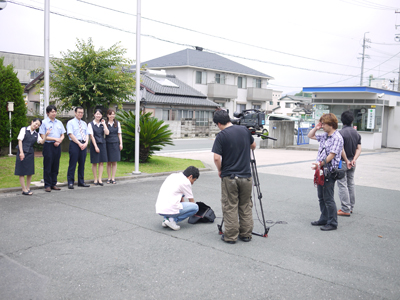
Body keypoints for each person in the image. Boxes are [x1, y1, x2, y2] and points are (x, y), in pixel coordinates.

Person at [212, 110, 256, 244]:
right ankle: (246, 234)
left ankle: (230, 236)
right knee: (245, 205)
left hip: (230, 177)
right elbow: (253, 146)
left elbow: (216, 158)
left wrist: (220, 170)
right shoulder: (244, 130)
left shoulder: (221, 135)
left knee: (230, 205)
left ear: (219, 123)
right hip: (246, 176)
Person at [308, 113, 344, 231]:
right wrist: (316, 128)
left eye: (324, 124)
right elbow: (310, 135)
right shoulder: (325, 135)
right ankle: (324, 218)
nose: (322, 126)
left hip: (329, 170)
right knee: (321, 197)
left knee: (328, 198)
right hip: (321, 169)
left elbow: (332, 155)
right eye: (321, 123)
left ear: (331, 124)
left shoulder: (337, 137)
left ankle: (332, 222)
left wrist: (320, 164)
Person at [155, 166, 200, 231]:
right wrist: (195, 214)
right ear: (190, 176)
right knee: (195, 207)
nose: (192, 183)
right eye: (194, 180)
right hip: (169, 209)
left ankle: (166, 219)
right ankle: (172, 220)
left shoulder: (173, 175)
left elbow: (180, 196)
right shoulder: (186, 182)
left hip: (160, 209)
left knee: (176, 203)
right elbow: (191, 201)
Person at [15, 118, 51, 195]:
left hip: (30, 153)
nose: (36, 126)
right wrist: (21, 152)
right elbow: (20, 140)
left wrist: (46, 135)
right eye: (35, 123)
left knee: (29, 171)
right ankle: (24, 189)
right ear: (32, 122)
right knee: (21, 171)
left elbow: (41, 141)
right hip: (22, 151)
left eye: (38, 125)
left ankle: (28, 188)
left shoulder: (36, 134)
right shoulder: (24, 129)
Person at [337, 111, 362, 217]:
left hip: (343, 162)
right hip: (352, 162)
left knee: (342, 185)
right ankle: (350, 207)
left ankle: (345, 209)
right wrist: (354, 160)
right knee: (350, 184)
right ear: (352, 121)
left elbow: (341, 148)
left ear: (342, 121)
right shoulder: (357, 133)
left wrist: (346, 160)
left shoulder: (340, 133)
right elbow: (359, 148)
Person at [39, 105, 66, 192]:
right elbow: (43, 136)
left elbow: (62, 135)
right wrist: (55, 139)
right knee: (48, 165)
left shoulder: (59, 122)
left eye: (55, 111)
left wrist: (59, 141)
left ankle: (54, 183)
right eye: (52, 112)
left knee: (55, 165)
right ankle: (47, 185)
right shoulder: (44, 123)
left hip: (57, 146)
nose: (54, 113)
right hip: (48, 146)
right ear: (47, 113)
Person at [66, 107, 90, 189]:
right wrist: (79, 143)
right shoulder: (70, 122)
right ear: (75, 113)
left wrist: (86, 143)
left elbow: (87, 134)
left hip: (83, 144)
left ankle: (81, 181)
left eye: (82, 112)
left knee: (82, 163)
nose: (80, 114)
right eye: (79, 112)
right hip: (75, 144)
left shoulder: (84, 123)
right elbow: (70, 134)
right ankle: (70, 182)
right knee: (73, 163)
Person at [87, 109, 109, 186]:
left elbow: (107, 133)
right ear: (94, 115)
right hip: (94, 144)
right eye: (97, 114)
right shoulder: (90, 124)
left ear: (101, 116)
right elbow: (91, 136)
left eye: (99, 114)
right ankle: (95, 179)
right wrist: (96, 146)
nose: (98, 115)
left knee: (101, 162)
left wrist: (104, 124)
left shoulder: (102, 124)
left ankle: (100, 179)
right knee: (94, 162)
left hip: (102, 144)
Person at [105, 109, 123, 184]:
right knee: (108, 162)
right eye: (110, 114)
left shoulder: (117, 123)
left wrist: (121, 143)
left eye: (113, 114)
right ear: (107, 115)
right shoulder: (105, 123)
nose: (112, 116)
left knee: (114, 162)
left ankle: (113, 178)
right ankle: (109, 178)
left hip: (115, 143)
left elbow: (119, 134)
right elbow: (106, 133)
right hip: (108, 143)